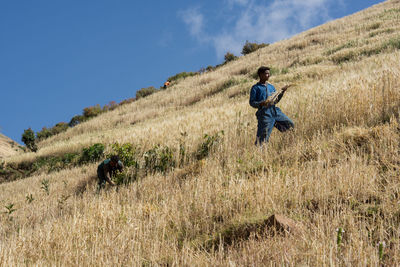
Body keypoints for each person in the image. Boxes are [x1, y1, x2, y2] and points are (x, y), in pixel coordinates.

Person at [249, 66, 294, 145]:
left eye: (269, 74)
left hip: (275, 111)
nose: (268, 75)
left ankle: (288, 145)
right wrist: (261, 103)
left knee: (290, 125)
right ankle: (259, 154)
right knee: (262, 138)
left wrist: (282, 92)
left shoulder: (271, 87)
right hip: (264, 114)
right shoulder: (255, 88)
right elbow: (252, 102)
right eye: (266, 74)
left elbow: (275, 101)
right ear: (260, 75)